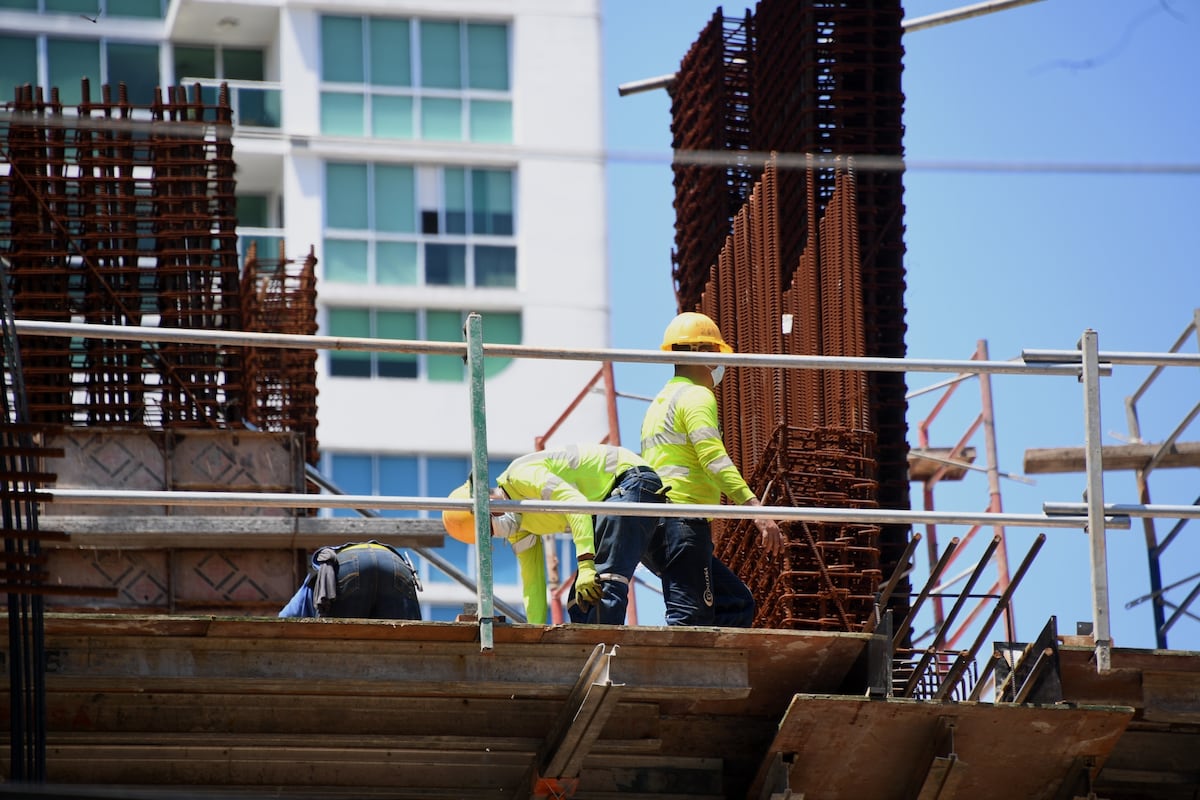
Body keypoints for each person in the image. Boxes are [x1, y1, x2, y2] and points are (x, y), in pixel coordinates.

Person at [640, 311, 785, 627]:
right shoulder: (696, 396)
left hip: (655, 526)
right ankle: (682, 675)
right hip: (682, 522)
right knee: (690, 618)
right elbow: (714, 460)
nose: (719, 362)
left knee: (735, 603)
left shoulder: (661, 401)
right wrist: (756, 510)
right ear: (699, 353)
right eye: (715, 352)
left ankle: (707, 671)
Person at [441, 443, 666, 625]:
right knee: (580, 603)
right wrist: (535, 632)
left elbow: (576, 504)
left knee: (603, 583)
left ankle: (606, 651)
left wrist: (586, 564)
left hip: (629, 480)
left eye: (490, 526)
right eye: (490, 534)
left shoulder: (521, 476)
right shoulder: (519, 528)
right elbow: (533, 585)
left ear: (488, 502)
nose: (497, 531)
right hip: (607, 502)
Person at [279, 540, 422, 620]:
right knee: (405, 647)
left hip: (346, 564)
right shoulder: (311, 586)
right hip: (394, 562)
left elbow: (283, 623)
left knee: (336, 657)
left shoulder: (307, 594)